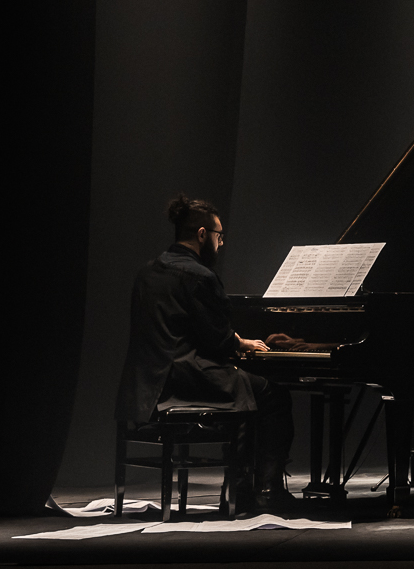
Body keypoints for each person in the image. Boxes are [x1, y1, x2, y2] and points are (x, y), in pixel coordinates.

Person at [114, 195, 293, 511]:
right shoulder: (201, 276)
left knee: (248, 389)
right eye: (219, 236)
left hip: (145, 383)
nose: (221, 244)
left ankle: (241, 489)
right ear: (201, 234)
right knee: (271, 395)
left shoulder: (147, 272)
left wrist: (233, 340)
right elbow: (217, 341)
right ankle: (262, 491)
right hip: (186, 379)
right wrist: (239, 343)